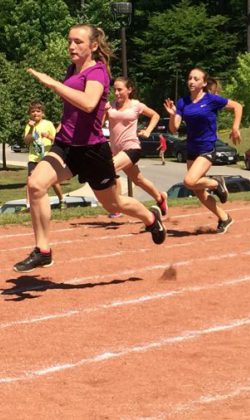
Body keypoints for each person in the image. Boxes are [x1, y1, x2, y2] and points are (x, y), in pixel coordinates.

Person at [16, 23, 166, 273]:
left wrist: (53, 84)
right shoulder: (71, 69)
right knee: (35, 184)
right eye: (69, 41)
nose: (71, 46)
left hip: (92, 150)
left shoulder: (98, 72)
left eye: (78, 42)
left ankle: (150, 218)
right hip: (65, 144)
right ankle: (43, 250)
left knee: (114, 204)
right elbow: (74, 109)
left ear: (93, 46)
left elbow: (88, 103)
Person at [163, 68, 243, 234]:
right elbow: (174, 129)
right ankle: (224, 217)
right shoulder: (183, 102)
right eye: (190, 78)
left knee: (190, 182)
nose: (191, 81)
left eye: (196, 79)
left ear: (204, 83)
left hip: (207, 147)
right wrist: (172, 115)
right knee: (198, 191)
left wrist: (235, 128)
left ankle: (216, 182)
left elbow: (237, 106)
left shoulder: (211, 100)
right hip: (191, 148)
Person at [104, 76, 168, 218]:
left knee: (109, 169)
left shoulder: (136, 105)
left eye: (120, 89)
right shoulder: (111, 106)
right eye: (115, 90)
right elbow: (100, 124)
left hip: (132, 148)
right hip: (116, 150)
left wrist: (147, 131)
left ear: (129, 89)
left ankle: (118, 206)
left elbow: (155, 115)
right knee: (138, 180)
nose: (117, 93)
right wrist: (103, 111)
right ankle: (160, 198)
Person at [22, 101, 64, 209]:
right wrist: (31, 128)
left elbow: (56, 140)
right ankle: (28, 205)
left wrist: (48, 135)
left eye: (38, 111)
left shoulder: (48, 124)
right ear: (29, 114)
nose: (35, 113)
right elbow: (27, 141)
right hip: (34, 157)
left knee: (52, 181)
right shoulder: (29, 125)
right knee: (30, 180)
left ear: (42, 113)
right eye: (33, 111)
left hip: (47, 156)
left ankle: (62, 200)